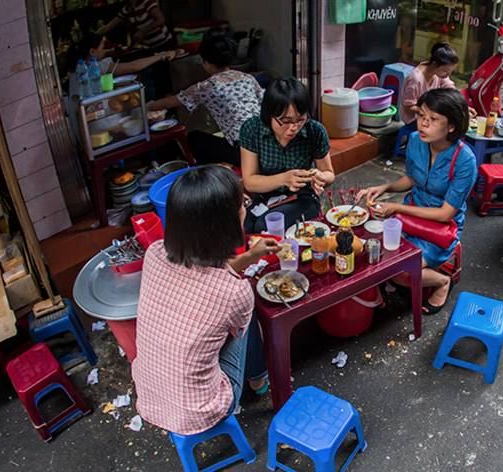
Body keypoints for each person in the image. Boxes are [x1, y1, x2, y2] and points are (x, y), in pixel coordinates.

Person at [133, 165, 278, 435]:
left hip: (149, 392)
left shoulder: (153, 253)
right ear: (226, 223)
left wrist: (248, 257)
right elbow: (223, 293)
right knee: (249, 315)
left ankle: (255, 376)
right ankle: (258, 379)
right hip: (201, 410)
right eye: (241, 205)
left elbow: (205, 277)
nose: (244, 209)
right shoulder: (234, 292)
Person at [356, 89, 477, 315]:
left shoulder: (465, 161)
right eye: (421, 115)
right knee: (370, 248)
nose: (423, 124)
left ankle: (442, 282)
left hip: (439, 228)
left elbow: (445, 214)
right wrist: (384, 188)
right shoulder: (415, 141)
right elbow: (412, 178)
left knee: (401, 272)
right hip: (409, 214)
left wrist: (396, 207)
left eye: (433, 119)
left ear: (451, 126)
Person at [147, 30, 263, 167]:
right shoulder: (247, 78)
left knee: (194, 138)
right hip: (267, 143)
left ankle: (213, 173)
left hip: (246, 153)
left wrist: (145, 106)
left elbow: (171, 101)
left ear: (206, 63)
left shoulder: (207, 87)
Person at [240, 77, 335, 233]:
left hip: (302, 197)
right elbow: (250, 181)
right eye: (285, 120)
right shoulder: (252, 129)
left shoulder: (315, 131)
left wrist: (321, 177)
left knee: (265, 227)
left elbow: (330, 174)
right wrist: (284, 179)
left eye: (300, 119)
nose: (294, 127)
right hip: (264, 196)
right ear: (269, 114)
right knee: (243, 226)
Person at [68, 33, 175, 98]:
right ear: (92, 51)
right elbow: (133, 66)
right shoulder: (95, 67)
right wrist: (162, 56)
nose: (105, 50)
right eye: (102, 47)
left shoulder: (76, 68)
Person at [399, 42, 476, 125]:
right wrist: (430, 112)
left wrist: (464, 107)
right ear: (434, 64)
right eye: (445, 71)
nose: (447, 75)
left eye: (450, 72)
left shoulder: (438, 73)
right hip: (414, 120)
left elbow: (450, 89)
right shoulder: (415, 79)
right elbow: (409, 107)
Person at [97, 0, 173, 52]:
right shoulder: (127, 9)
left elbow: (161, 19)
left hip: (164, 43)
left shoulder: (146, 3)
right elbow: (109, 26)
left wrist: (143, 31)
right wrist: (95, 35)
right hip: (149, 47)